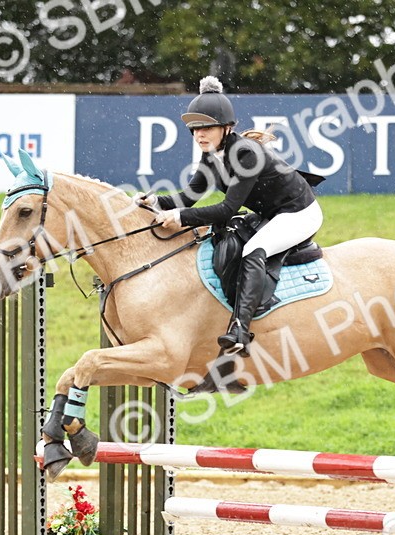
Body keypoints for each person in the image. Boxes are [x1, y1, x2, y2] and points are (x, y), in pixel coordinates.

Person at [136, 76, 323, 358]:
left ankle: (240, 330)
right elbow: (188, 197)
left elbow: (227, 209)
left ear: (226, 128)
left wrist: (181, 217)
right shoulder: (212, 155)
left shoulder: (246, 153)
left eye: (206, 127)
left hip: (299, 213)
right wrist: (154, 202)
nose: (199, 135)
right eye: (194, 129)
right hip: (270, 213)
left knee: (252, 250)